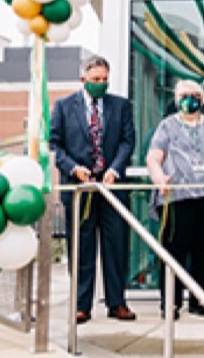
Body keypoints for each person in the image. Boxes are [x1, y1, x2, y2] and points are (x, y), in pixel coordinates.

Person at [50, 55, 137, 324]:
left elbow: (127, 141)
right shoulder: (64, 107)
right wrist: (73, 168)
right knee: (82, 248)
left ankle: (117, 302)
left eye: (105, 79)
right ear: (83, 79)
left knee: (115, 247)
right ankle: (82, 305)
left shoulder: (120, 106)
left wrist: (115, 169)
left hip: (112, 188)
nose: (101, 84)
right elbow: (55, 144)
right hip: (79, 190)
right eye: (96, 79)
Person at [146, 80, 204, 319]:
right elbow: (153, 158)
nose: (189, 100)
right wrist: (160, 179)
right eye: (183, 95)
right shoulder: (167, 126)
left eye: (193, 95)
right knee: (174, 251)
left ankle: (200, 300)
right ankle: (170, 303)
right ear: (176, 99)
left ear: (202, 99)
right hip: (176, 198)